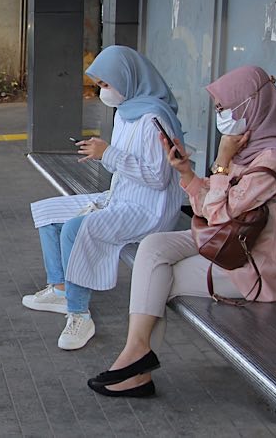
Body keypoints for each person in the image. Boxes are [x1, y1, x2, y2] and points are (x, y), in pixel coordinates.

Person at [87, 65, 276, 398]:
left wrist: (222, 160)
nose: (221, 116)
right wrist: (187, 172)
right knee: (153, 248)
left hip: (258, 268)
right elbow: (211, 208)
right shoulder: (251, 150)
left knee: (161, 277)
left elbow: (218, 215)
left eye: (225, 108)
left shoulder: (273, 161)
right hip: (232, 245)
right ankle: (136, 356)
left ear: (253, 106)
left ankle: (136, 365)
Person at [24, 45, 185, 351]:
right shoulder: (126, 111)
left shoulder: (153, 118)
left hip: (148, 208)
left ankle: (79, 314)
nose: (103, 92)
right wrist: (102, 153)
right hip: (122, 196)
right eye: (99, 86)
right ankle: (60, 289)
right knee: (49, 214)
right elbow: (127, 159)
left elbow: (158, 177)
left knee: (76, 229)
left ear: (127, 78)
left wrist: (108, 153)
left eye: (106, 85)